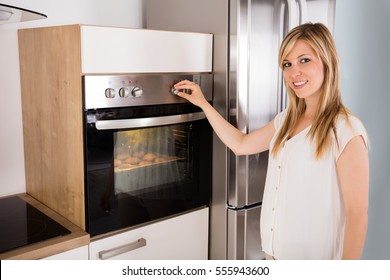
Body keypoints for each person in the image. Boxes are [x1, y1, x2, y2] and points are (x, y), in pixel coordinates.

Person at [174, 22, 369, 260]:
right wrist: (204, 104)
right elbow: (242, 145)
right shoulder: (286, 119)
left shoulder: (345, 130)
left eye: (304, 60)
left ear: (327, 61)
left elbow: (357, 214)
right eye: (287, 64)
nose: (293, 72)